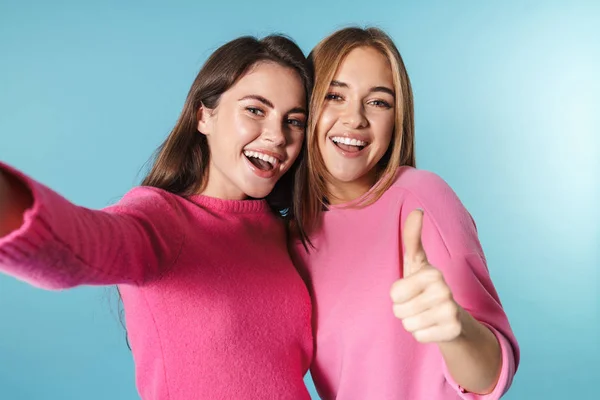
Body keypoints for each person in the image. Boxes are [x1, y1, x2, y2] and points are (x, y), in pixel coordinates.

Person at [0, 35, 314, 400]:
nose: (278, 136)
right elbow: (75, 243)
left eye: (293, 120)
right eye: (255, 110)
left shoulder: (284, 234)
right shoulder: (164, 219)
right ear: (204, 116)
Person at [291, 27, 520, 399]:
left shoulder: (420, 197)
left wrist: (456, 329)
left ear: (397, 120)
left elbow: (490, 376)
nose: (355, 119)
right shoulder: (290, 239)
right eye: (335, 96)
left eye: (378, 102)